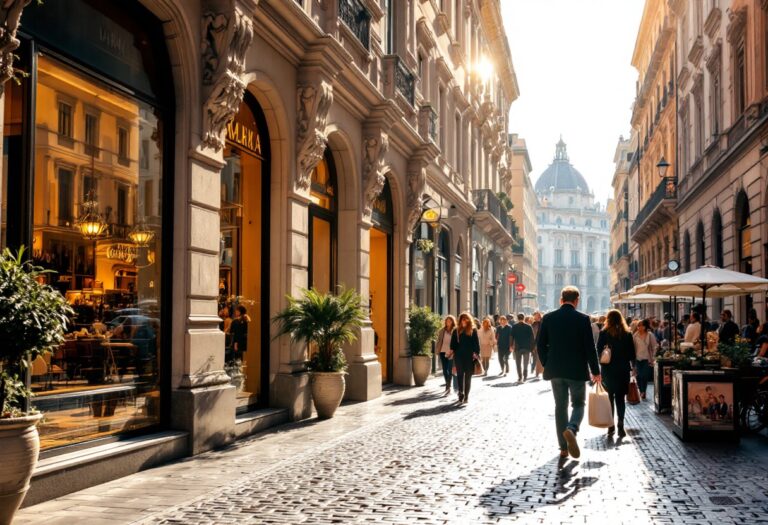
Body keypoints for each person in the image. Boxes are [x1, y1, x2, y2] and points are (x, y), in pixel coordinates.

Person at [537, 286, 601, 459]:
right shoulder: (583, 319)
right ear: (577, 300)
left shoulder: (549, 318)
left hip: (555, 370)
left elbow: (540, 345)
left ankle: (563, 448)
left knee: (560, 407)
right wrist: (596, 371)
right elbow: (590, 348)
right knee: (579, 404)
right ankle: (572, 428)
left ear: (561, 299)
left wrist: (546, 363)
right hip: (577, 370)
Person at [596, 310, 636, 437]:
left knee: (609, 399)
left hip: (608, 370)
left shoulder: (604, 333)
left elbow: (598, 351)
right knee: (620, 399)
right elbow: (632, 354)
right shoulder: (627, 334)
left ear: (608, 319)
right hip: (623, 370)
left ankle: (610, 425)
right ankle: (621, 424)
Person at [450, 312, 480, 404]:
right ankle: (460, 394)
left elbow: (476, 344)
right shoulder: (456, 331)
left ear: (469, 320)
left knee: (468, 377)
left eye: (466, 319)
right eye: (463, 319)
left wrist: (476, 353)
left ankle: (466, 396)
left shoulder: (473, 330)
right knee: (459, 376)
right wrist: (452, 351)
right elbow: (453, 345)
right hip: (459, 356)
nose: (464, 320)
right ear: (460, 320)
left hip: (469, 356)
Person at [633, 319, 657, 400]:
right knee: (638, 376)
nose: (639, 327)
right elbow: (632, 348)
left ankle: (643, 391)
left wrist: (653, 357)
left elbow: (654, 347)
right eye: (638, 325)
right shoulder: (635, 336)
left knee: (644, 376)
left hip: (647, 358)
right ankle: (641, 390)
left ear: (645, 326)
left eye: (641, 325)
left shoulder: (650, 335)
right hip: (637, 358)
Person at [435, 315, 457, 396]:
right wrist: (437, 349)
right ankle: (447, 384)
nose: (448, 322)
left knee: (449, 369)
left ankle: (448, 387)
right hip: (442, 352)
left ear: (452, 321)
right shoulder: (442, 330)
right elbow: (439, 340)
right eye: (447, 321)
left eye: (450, 321)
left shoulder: (455, 330)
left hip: (451, 352)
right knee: (444, 370)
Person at [511, 313, 535, 383]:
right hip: (526, 348)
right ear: (524, 318)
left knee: (518, 363)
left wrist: (511, 345)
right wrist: (532, 347)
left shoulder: (514, 327)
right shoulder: (528, 327)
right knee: (525, 363)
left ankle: (520, 377)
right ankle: (525, 376)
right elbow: (532, 338)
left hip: (518, 347)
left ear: (517, 318)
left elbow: (511, 336)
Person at [530, 311, 542, 378]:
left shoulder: (542, 323)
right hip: (533, 342)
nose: (535, 317)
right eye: (534, 316)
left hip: (540, 342)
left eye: (536, 315)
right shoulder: (533, 324)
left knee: (538, 358)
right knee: (534, 357)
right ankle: (533, 368)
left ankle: (537, 372)